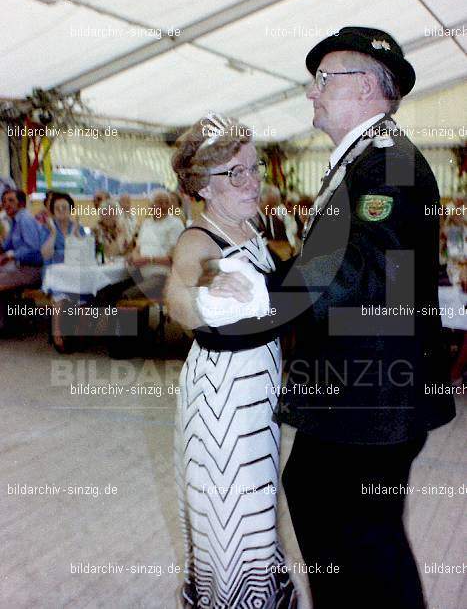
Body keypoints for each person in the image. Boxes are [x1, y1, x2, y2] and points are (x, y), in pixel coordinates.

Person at [267, 27, 456, 608]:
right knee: (356, 536)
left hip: (368, 394)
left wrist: (260, 297)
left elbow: (361, 272)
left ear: (370, 87)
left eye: (324, 80)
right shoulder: (367, 161)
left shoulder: (387, 165)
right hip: (367, 388)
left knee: (356, 541)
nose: (311, 93)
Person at [166, 113, 297, 608]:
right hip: (222, 396)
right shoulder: (198, 239)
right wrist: (205, 291)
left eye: (254, 167)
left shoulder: (249, 224)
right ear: (202, 185)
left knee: (256, 508)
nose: (252, 181)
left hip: (256, 389)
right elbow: (177, 296)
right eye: (234, 174)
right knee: (232, 514)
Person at [40, 192, 86, 352]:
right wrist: (53, 233)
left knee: (83, 293)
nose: (61, 210)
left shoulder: (77, 227)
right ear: (52, 210)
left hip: (73, 271)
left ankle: (78, 334)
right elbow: (46, 254)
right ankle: (57, 334)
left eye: (64, 207)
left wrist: (75, 236)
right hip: (54, 272)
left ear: (70, 209)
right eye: (57, 208)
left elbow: (84, 253)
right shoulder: (48, 227)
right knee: (60, 296)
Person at [124, 190, 183, 300]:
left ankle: (132, 316)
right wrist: (134, 256)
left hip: (162, 277)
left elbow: (174, 258)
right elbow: (137, 247)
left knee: (127, 296)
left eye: (167, 202)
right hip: (139, 273)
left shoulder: (175, 224)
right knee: (109, 290)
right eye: (160, 202)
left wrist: (147, 260)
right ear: (151, 205)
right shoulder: (147, 223)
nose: (164, 206)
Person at [0, 189, 43, 330]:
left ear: (22, 203)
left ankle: (5, 321)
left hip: (33, 270)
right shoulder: (14, 220)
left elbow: (33, 248)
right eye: (4, 201)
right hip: (21, 267)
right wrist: (6, 252)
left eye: (11, 200)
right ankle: (8, 320)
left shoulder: (25, 219)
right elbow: (6, 246)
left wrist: (10, 255)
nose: (6, 204)